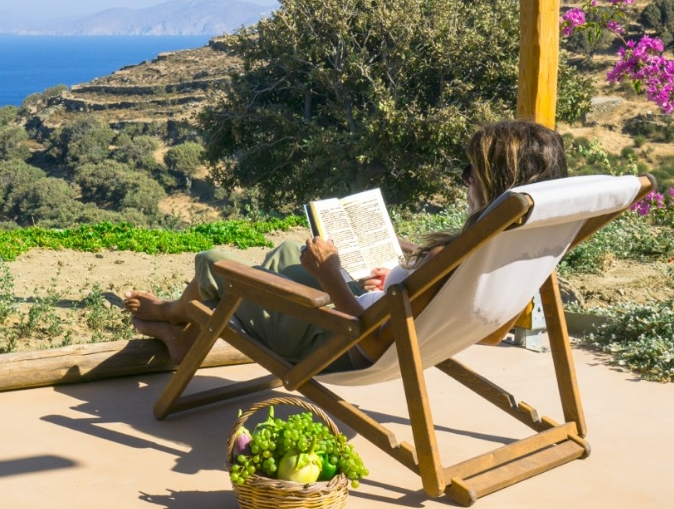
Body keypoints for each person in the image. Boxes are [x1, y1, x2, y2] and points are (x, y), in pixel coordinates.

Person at [124, 120, 568, 371]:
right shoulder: (518, 245)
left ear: (495, 182)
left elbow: (371, 345)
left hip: (335, 342)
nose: (465, 180)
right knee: (285, 253)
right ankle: (196, 323)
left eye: (471, 172)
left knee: (213, 263)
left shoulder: (453, 257)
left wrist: (331, 274)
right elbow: (488, 331)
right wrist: (399, 277)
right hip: (380, 316)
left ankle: (174, 318)